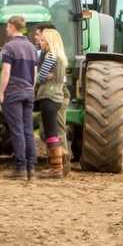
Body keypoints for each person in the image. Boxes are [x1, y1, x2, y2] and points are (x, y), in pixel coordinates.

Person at [0, 15, 39, 181]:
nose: (6, 29)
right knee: (28, 130)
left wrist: (2, 92)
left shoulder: (9, 47)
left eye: (7, 26)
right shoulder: (32, 47)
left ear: (12, 26)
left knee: (17, 130)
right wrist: (31, 88)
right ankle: (31, 168)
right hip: (29, 91)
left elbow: (6, 72)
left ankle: (20, 168)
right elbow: (35, 73)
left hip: (14, 92)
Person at [34, 23, 71, 174]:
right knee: (52, 132)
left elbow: (40, 77)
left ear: (50, 42)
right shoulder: (61, 57)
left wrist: (38, 77)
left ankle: (57, 167)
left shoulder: (50, 56)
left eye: (43, 41)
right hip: (57, 96)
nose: (40, 43)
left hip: (48, 96)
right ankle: (59, 163)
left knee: (51, 134)